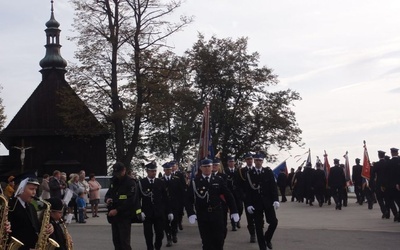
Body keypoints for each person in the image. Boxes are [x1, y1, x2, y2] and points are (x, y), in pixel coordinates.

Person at [185, 158, 239, 250]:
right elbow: (188, 199)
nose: (207, 168)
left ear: (212, 168)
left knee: (219, 240)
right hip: (203, 215)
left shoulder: (218, 180)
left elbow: (228, 196)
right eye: (204, 167)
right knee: (206, 242)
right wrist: (191, 213)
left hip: (217, 213)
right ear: (201, 168)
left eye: (209, 166)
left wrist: (234, 211)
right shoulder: (195, 182)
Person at [8, 177, 54, 250]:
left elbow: (35, 228)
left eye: (35, 189)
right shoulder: (10, 206)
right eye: (31, 189)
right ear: (20, 189)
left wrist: (47, 228)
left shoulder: (31, 206)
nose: (34, 192)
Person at [245, 153, 279, 250]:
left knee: (274, 222)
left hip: (268, 202)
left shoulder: (268, 172)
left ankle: (267, 238)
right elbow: (247, 191)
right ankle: (262, 247)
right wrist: (248, 204)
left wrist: (276, 200)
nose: (258, 162)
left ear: (262, 161)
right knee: (259, 227)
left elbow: (273, 187)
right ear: (254, 161)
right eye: (256, 160)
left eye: (260, 160)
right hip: (256, 204)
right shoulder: (249, 174)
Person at [105, 162, 141, 250]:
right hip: (114, 216)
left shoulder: (130, 182)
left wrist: (117, 210)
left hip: (124, 216)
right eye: (116, 173)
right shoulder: (114, 180)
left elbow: (130, 201)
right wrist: (107, 199)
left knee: (124, 242)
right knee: (116, 241)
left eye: (119, 173)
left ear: (124, 170)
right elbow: (108, 193)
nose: (118, 175)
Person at [139, 162, 172, 250]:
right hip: (147, 213)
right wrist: (139, 211)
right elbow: (137, 199)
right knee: (148, 234)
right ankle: (149, 248)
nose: (154, 173)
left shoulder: (160, 182)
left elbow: (166, 198)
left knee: (160, 233)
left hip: (159, 213)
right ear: (147, 171)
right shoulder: (141, 183)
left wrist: (169, 212)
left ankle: (157, 247)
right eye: (152, 171)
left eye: (155, 171)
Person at [161, 162, 184, 247]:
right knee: (165, 222)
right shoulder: (161, 180)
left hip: (175, 204)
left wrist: (181, 202)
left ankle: (174, 234)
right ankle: (168, 238)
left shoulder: (176, 179)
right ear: (164, 170)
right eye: (167, 170)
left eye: (170, 170)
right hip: (165, 205)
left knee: (174, 221)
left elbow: (181, 191)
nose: (168, 171)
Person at [237, 153, 256, 243]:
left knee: (258, 215)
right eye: (248, 159)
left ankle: (258, 230)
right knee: (249, 216)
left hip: (257, 197)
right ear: (245, 160)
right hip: (247, 197)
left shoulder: (256, 170)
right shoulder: (241, 171)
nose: (250, 161)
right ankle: (252, 233)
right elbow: (239, 185)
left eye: (251, 159)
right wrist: (242, 196)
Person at [370, 150, 390, 219]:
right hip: (387, 184)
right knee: (387, 199)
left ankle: (384, 211)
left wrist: (371, 184)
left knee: (380, 199)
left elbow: (372, 175)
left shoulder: (376, 164)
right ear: (384, 156)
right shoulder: (387, 163)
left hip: (379, 184)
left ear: (378, 156)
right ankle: (388, 214)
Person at [225, 156, 244, 231]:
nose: (231, 163)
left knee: (240, 208)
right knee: (232, 208)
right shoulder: (225, 171)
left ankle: (238, 219)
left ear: (234, 162)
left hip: (238, 193)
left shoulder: (238, 171)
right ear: (228, 163)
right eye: (230, 162)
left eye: (232, 161)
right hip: (230, 193)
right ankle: (234, 224)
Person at [170, 161, 186, 231]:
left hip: (179, 196)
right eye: (172, 166)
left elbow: (183, 185)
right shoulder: (168, 174)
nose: (173, 167)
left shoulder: (180, 174)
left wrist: (183, 195)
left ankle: (179, 222)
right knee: (174, 211)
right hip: (171, 196)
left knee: (180, 211)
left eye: (174, 166)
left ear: (177, 166)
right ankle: (174, 225)